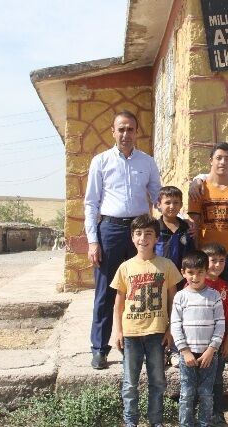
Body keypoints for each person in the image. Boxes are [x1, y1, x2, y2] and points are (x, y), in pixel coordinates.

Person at [85, 110, 162, 369]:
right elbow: (91, 203)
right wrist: (93, 241)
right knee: (106, 291)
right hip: (110, 231)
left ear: (136, 132)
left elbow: (158, 196)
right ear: (113, 132)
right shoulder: (101, 161)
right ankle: (99, 348)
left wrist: (179, 214)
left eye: (130, 129)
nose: (126, 134)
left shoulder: (147, 162)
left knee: (140, 289)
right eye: (121, 129)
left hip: (140, 230)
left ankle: (135, 346)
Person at [110, 214, 182, 427]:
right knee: (130, 383)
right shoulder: (125, 267)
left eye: (149, 234)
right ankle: (130, 421)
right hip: (131, 333)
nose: (143, 238)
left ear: (157, 238)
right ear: (132, 238)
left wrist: (170, 330)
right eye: (138, 234)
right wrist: (118, 331)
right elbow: (118, 304)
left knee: (158, 381)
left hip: (157, 333)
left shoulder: (166, 265)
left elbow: (173, 301)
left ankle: (156, 421)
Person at [171, 251, 225, 427]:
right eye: (191, 273)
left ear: (206, 271)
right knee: (187, 394)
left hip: (208, 355)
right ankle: (186, 424)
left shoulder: (214, 296)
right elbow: (175, 325)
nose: (195, 277)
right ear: (183, 272)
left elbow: (220, 325)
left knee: (206, 393)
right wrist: (184, 351)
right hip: (187, 355)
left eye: (200, 272)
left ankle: (204, 423)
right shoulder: (180, 297)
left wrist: (211, 350)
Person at [188, 142, 228, 287]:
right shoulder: (199, 190)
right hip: (206, 253)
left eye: (227, 158)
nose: (223, 162)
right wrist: (196, 251)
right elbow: (194, 223)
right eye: (219, 158)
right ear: (211, 160)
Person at [201, 242, 228, 427]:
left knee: (217, 379)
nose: (218, 265)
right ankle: (199, 416)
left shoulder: (225, 288)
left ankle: (218, 414)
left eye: (222, 261)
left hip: (219, 342)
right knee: (198, 380)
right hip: (198, 342)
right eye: (213, 260)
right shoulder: (194, 284)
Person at [154, 185, 194, 283]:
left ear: (181, 205)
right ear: (159, 204)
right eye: (167, 203)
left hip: (182, 276)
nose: (172, 206)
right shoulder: (154, 228)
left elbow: (191, 251)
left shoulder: (187, 228)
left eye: (176, 203)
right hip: (159, 275)